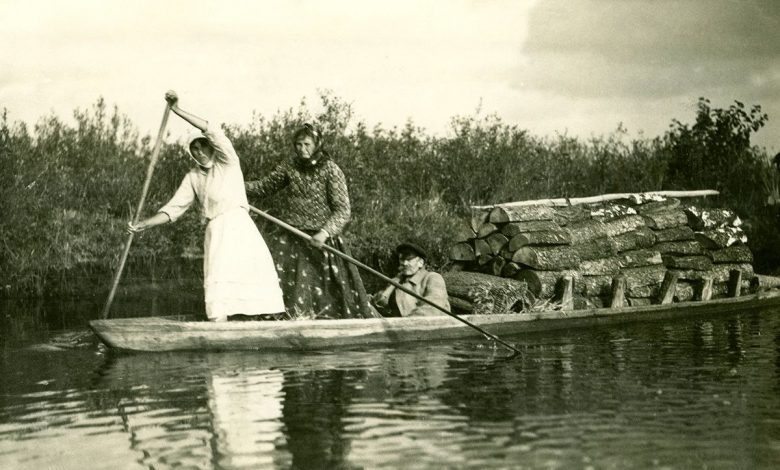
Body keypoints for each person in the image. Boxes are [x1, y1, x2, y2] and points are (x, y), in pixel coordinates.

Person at [127, 90, 285, 322]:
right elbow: (173, 209)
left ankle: (264, 322)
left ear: (211, 146)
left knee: (252, 275)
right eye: (194, 149)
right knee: (219, 281)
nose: (199, 152)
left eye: (202, 146)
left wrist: (177, 110)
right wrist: (144, 224)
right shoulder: (193, 177)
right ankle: (219, 325)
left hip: (240, 227)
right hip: (217, 231)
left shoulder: (228, 162)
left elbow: (213, 130)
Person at [244, 123, 378, 319]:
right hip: (291, 237)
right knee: (283, 288)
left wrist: (324, 232)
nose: (302, 149)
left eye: (307, 144)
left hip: (320, 240)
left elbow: (343, 210)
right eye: (298, 144)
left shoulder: (331, 170)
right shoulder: (289, 167)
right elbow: (264, 187)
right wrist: (235, 183)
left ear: (317, 145)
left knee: (326, 295)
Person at [372, 242, 450, 317]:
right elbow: (378, 302)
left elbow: (433, 308)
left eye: (409, 260)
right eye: (402, 259)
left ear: (420, 263)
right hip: (395, 326)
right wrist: (393, 284)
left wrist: (404, 324)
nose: (405, 263)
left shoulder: (432, 278)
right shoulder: (397, 281)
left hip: (428, 327)